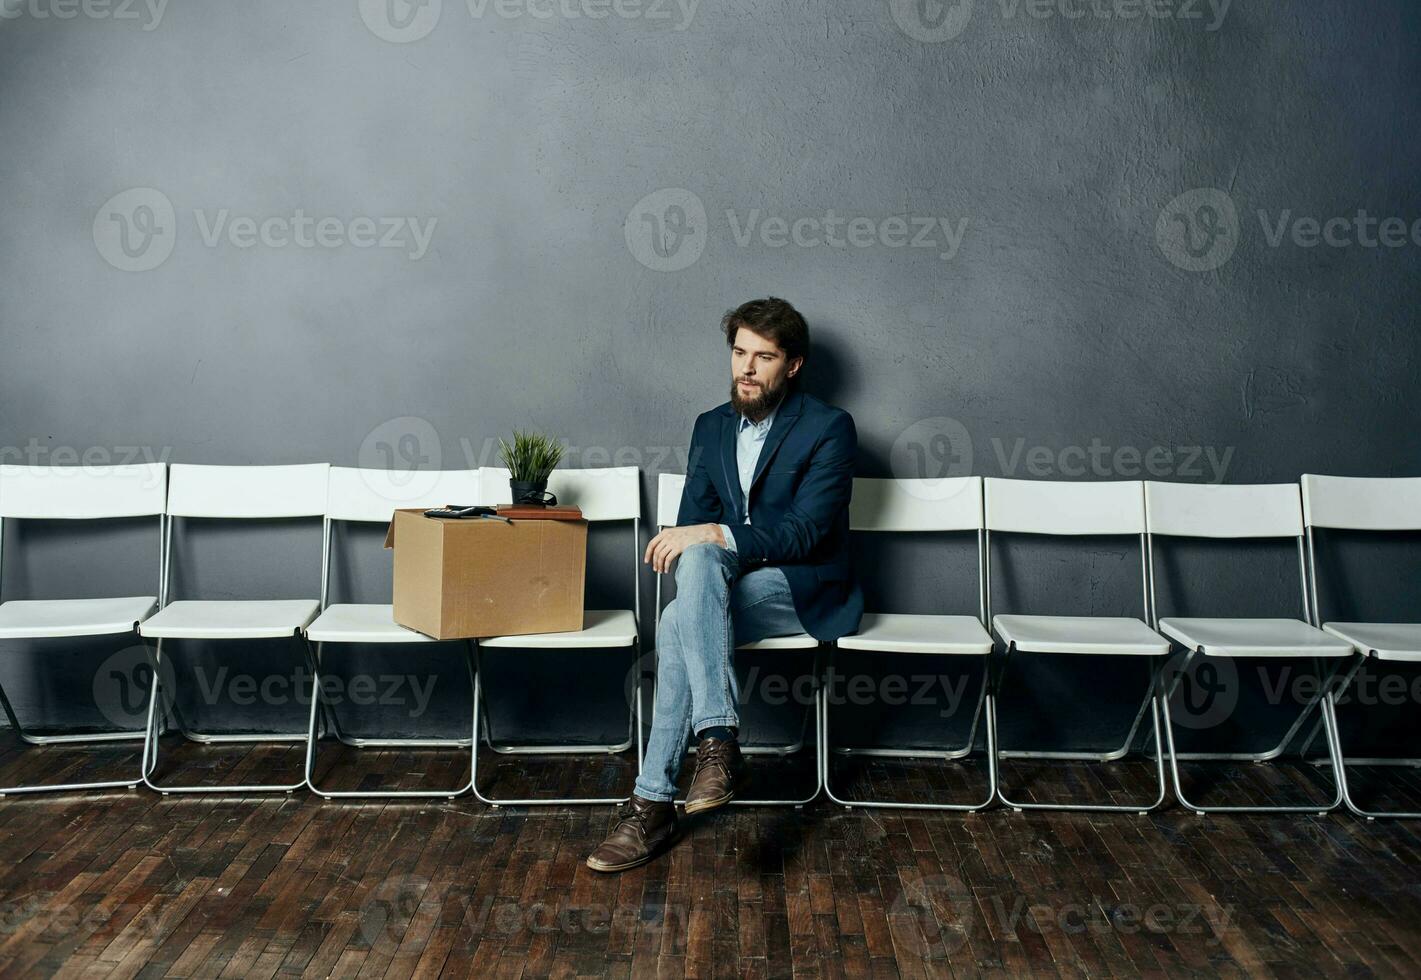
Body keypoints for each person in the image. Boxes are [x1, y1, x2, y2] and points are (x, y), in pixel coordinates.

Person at [586, 297, 863, 872]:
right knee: (695, 574)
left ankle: (653, 803)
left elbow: (805, 533)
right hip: (724, 583)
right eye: (740, 352)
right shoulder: (710, 427)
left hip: (802, 585)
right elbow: (692, 531)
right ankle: (715, 747)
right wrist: (704, 536)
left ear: (792, 365)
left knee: (676, 613)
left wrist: (713, 533)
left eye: (764, 357)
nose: (747, 367)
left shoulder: (829, 428)